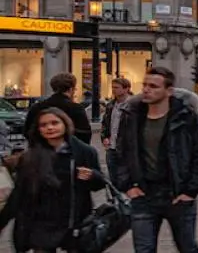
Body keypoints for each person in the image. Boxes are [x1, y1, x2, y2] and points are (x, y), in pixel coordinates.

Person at [114, 66, 198, 253]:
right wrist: (127, 185)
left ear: (168, 91)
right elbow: (121, 152)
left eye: (153, 86)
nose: (146, 90)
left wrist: (190, 190)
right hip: (143, 194)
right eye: (145, 85)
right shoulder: (132, 115)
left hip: (178, 194)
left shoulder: (187, 116)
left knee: (187, 247)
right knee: (143, 249)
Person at [0, 108, 105, 252]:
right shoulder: (31, 157)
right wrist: (3, 220)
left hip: (74, 222)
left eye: (55, 123)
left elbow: (99, 184)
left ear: (65, 124)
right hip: (42, 225)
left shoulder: (84, 152)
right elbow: (20, 193)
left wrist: (92, 175)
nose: (49, 128)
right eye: (43, 125)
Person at [24, 73, 93, 145]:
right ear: (71, 89)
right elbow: (85, 134)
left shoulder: (37, 107)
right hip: (69, 150)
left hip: (42, 149)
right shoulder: (76, 108)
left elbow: (27, 132)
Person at [101, 76, 133, 182]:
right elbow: (105, 124)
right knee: (112, 177)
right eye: (113, 87)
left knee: (125, 179)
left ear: (126, 89)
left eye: (117, 87)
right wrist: (104, 137)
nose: (114, 90)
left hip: (125, 149)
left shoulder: (133, 105)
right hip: (111, 147)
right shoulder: (110, 105)